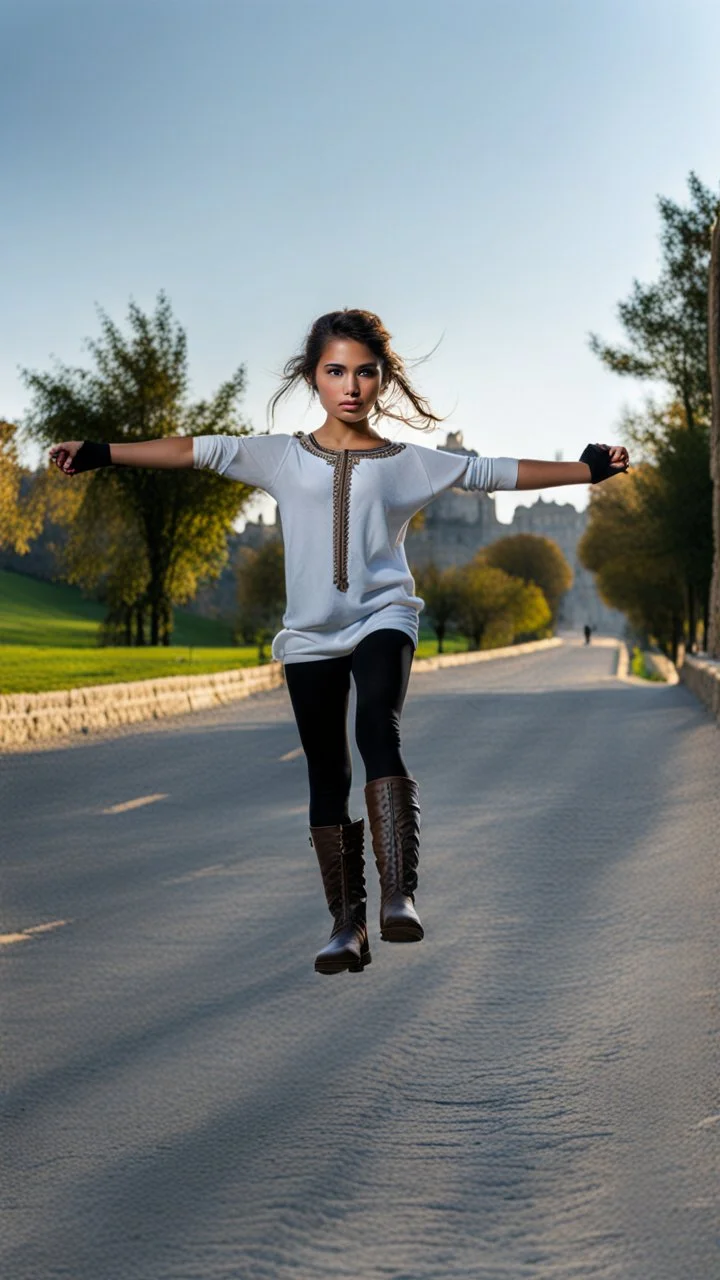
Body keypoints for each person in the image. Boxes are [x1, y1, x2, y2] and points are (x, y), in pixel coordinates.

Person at [49, 308, 630, 976]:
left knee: (377, 728)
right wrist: (99, 453)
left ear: (383, 380)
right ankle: (344, 927)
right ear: (312, 377)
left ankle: (398, 895)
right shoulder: (279, 455)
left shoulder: (412, 462)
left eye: (364, 372)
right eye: (335, 372)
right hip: (308, 635)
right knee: (327, 771)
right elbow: (190, 451)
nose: (350, 386)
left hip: (385, 615)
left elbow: (491, 471)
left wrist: (585, 471)